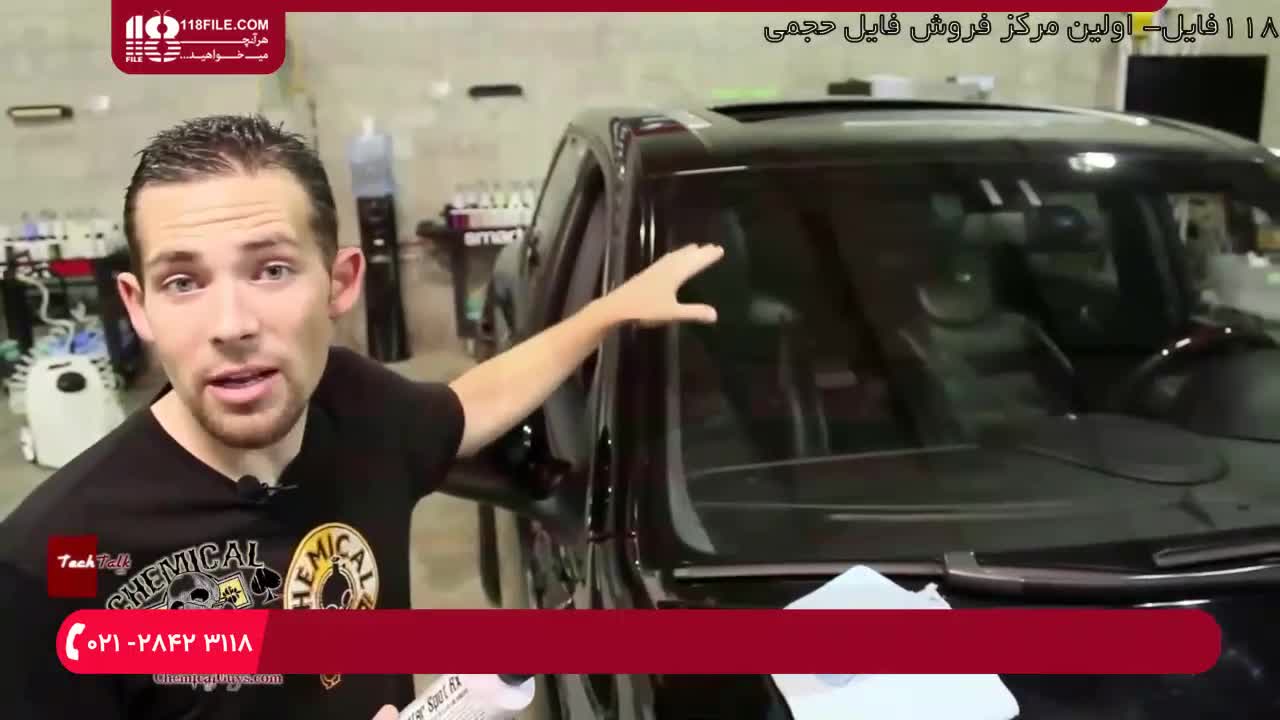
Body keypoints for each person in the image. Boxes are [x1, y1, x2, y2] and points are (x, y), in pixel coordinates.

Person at [0, 114, 723, 720]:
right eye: (183, 282)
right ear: (138, 306)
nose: (231, 324)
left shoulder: (356, 404)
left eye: (271, 270)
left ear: (340, 282)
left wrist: (604, 315)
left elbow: (471, 404)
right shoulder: (50, 562)